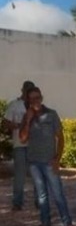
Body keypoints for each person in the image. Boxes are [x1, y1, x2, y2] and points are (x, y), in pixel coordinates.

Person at [19, 87, 76, 226]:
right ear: (28, 100)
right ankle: (45, 223)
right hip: (34, 162)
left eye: (38, 97)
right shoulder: (27, 116)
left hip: (49, 161)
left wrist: (57, 159)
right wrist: (28, 120)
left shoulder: (51, 114)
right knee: (41, 195)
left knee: (58, 193)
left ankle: (68, 223)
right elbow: (22, 138)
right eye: (32, 99)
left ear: (42, 97)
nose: (36, 101)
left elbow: (61, 137)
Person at [2, 80, 36, 211]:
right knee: (20, 176)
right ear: (22, 90)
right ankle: (17, 202)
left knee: (36, 175)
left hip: (34, 145)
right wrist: (17, 126)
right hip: (20, 145)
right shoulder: (14, 105)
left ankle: (40, 202)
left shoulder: (36, 106)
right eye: (27, 90)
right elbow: (5, 123)